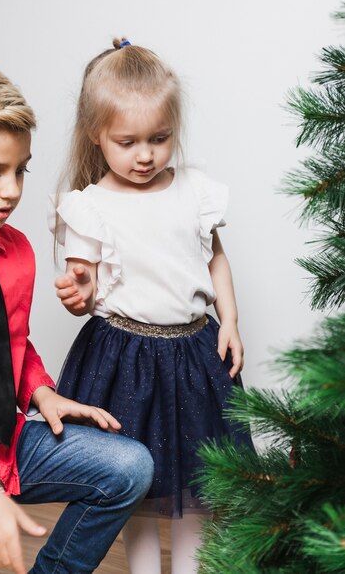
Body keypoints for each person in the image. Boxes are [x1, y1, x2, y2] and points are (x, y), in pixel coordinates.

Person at [0, 62, 154, 574]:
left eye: (20, 170)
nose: (11, 190)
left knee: (128, 466)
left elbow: (6, 342)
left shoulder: (15, 251)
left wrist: (41, 392)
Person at [51, 38, 254, 574]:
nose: (145, 155)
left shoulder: (193, 191)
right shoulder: (88, 207)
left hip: (193, 354)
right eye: (128, 141)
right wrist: (78, 294)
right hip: (124, 358)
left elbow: (216, 262)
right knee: (135, 484)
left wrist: (229, 320)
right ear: (97, 136)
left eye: (159, 139)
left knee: (196, 484)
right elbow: (87, 288)